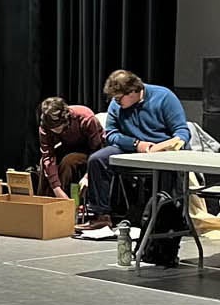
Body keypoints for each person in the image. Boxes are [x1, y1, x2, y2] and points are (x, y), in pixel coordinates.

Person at [79, 70, 190, 231]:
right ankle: (101, 215)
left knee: (168, 166)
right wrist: (135, 144)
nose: (116, 102)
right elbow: (110, 134)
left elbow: (182, 132)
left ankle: (161, 218)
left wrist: (166, 145)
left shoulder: (164, 97)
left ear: (132, 92)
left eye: (119, 98)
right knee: (98, 159)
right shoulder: (116, 105)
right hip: (128, 148)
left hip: (159, 151)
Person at [36, 97, 105, 202]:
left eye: (57, 127)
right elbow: (48, 155)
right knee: (45, 163)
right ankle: (43, 203)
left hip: (92, 150)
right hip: (68, 147)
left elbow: (97, 150)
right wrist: (56, 188)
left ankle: (64, 204)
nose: (54, 131)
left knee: (69, 161)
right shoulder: (45, 126)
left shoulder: (85, 117)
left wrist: (87, 176)